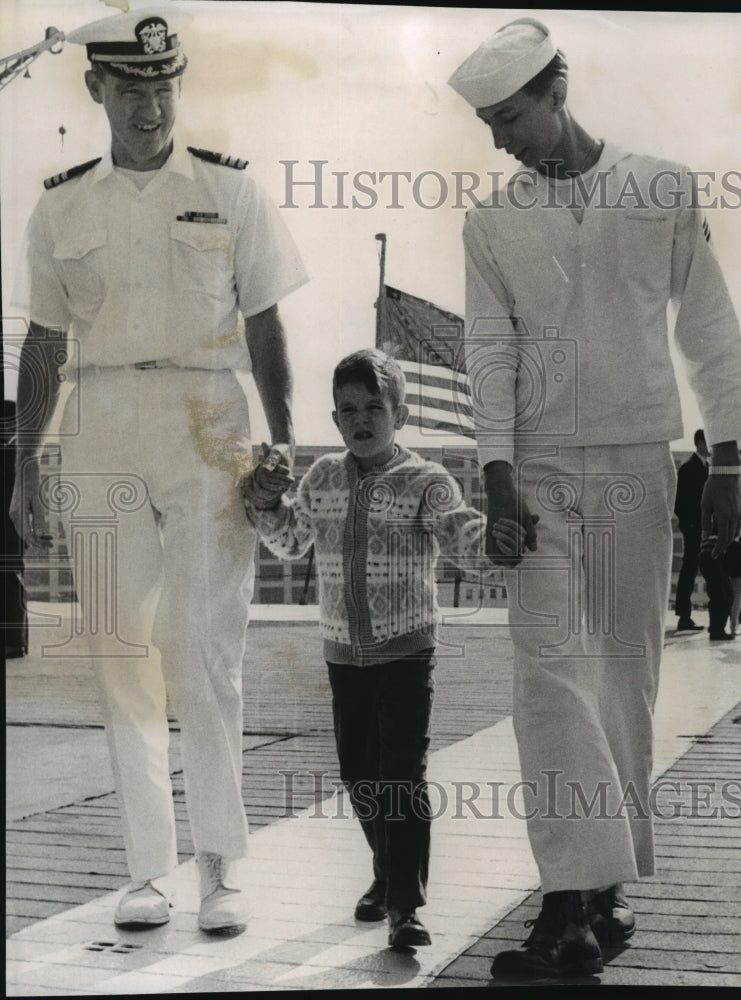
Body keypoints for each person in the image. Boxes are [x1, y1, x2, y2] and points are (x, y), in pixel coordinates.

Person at [447, 16, 741, 981]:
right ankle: (565, 903)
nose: (499, 138)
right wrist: (492, 475)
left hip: (635, 466)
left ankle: (603, 896)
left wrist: (730, 464)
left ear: (556, 90)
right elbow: (487, 351)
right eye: (487, 122)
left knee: (623, 677)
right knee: (546, 680)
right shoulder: (490, 221)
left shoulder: (659, 188)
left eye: (511, 116)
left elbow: (708, 327)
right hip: (531, 473)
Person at [9, 7, 307, 934]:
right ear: (96, 89)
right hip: (98, 425)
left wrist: (285, 443)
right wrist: (26, 466)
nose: (150, 104)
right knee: (118, 655)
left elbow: (263, 320)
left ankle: (220, 865)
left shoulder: (230, 191)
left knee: (205, 649)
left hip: (208, 421)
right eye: (132, 88)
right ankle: (147, 870)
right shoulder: (60, 205)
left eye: (164, 86)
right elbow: (45, 341)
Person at [241, 348, 520, 950]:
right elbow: (291, 542)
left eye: (375, 406)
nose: (362, 418)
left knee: (401, 775)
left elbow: (463, 535)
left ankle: (404, 904)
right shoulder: (323, 479)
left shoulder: (425, 480)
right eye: (349, 409)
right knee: (359, 775)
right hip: (344, 653)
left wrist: (499, 542)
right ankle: (387, 872)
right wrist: (265, 501)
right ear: (336, 419)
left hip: (407, 652)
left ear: (400, 410)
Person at [673, 429, 709, 632]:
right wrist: (690, 524)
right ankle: (684, 616)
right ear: (699, 443)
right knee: (689, 569)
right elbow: (679, 502)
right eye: (708, 442)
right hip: (694, 528)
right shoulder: (688, 468)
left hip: (702, 528)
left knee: (696, 568)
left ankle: (687, 616)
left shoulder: (705, 467)